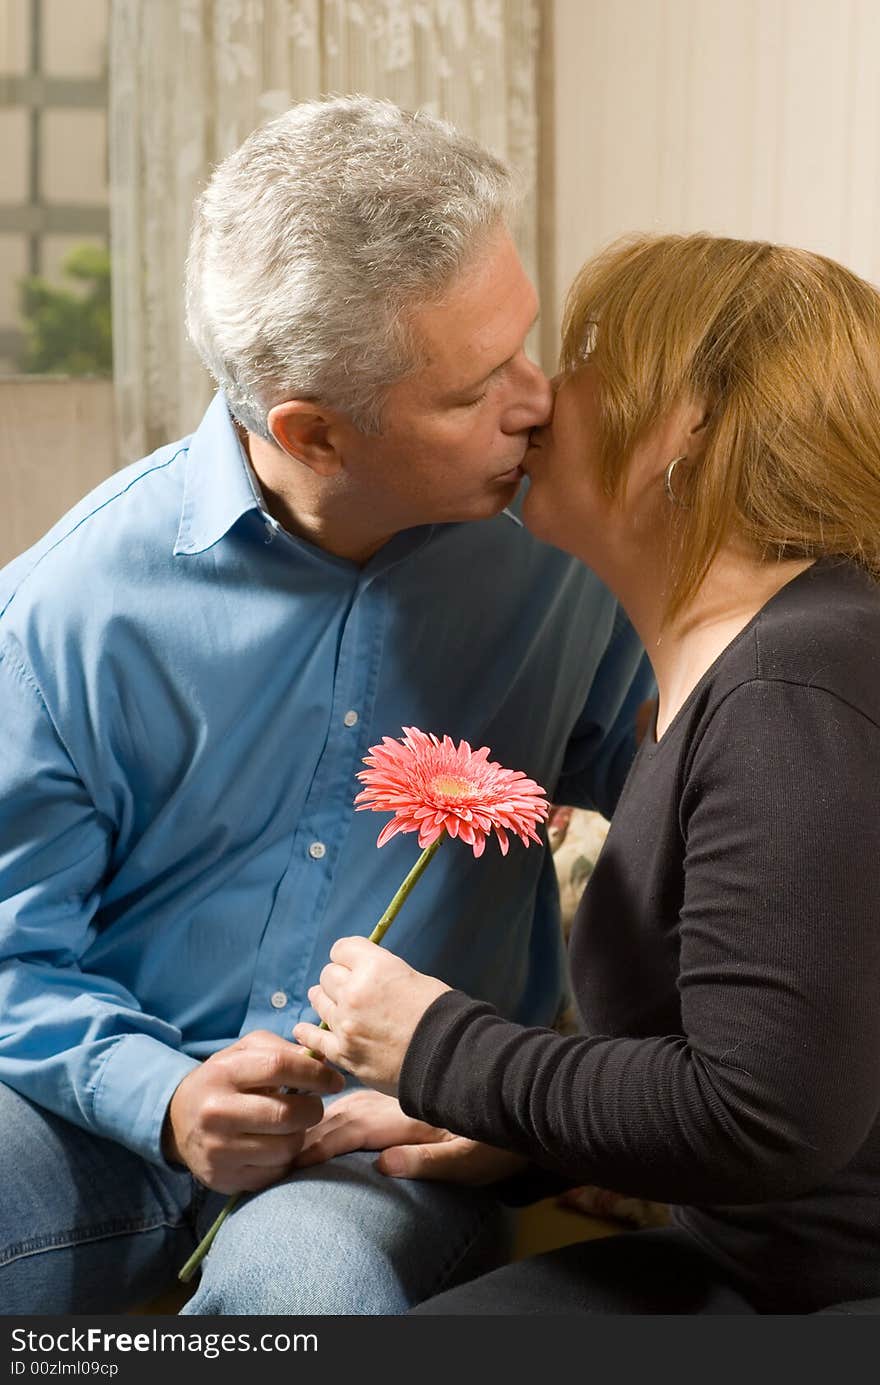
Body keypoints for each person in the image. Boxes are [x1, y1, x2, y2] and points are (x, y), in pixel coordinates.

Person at [0, 97, 651, 1316]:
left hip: (389, 1146)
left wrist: (580, 1105)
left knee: (307, 1299)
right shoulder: (63, 610)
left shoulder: (572, 555)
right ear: (311, 429)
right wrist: (167, 1095)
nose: (536, 401)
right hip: (92, 1117)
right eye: (472, 390)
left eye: (527, 339)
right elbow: (10, 950)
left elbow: (688, 837)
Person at [297, 232, 880, 1315]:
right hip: (750, 1266)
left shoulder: (798, 681)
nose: (538, 397)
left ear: (689, 422)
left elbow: (768, 1114)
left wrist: (441, 1046)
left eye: (585, 356)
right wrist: (517, 1134)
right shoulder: (724, 677)